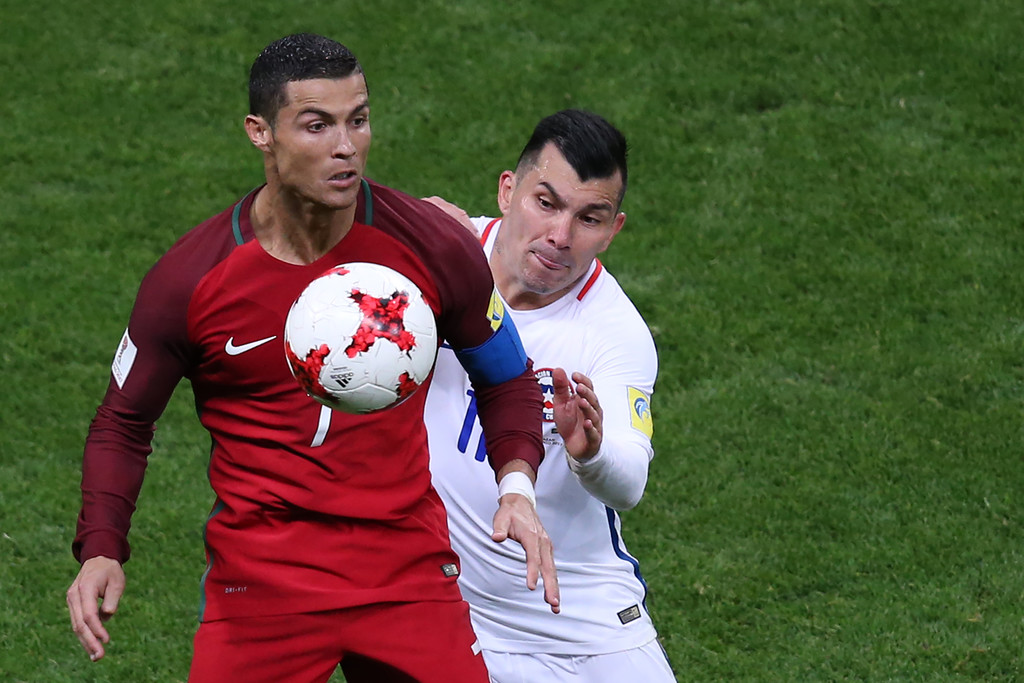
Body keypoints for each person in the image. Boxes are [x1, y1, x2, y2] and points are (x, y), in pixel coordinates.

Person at [66, 33, 559, 683]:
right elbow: (123, 420)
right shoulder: (191, 280)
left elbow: (506, 376)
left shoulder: (433, 247)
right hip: (261, 589)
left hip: (404, 576)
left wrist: (517, 487)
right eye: (316, 125)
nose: (346, 145)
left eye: (358, 119)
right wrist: (103, 546)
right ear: (259, 132)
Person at [423, 109, 674, 682]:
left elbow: (629, 482)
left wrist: (591, 452)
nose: (561, 237)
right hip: (453, 615)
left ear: (614, 229)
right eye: (547, 203)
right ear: (508, 190)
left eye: (590, 218)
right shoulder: (442, 257)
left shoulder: (612, 333)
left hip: (579, 622)